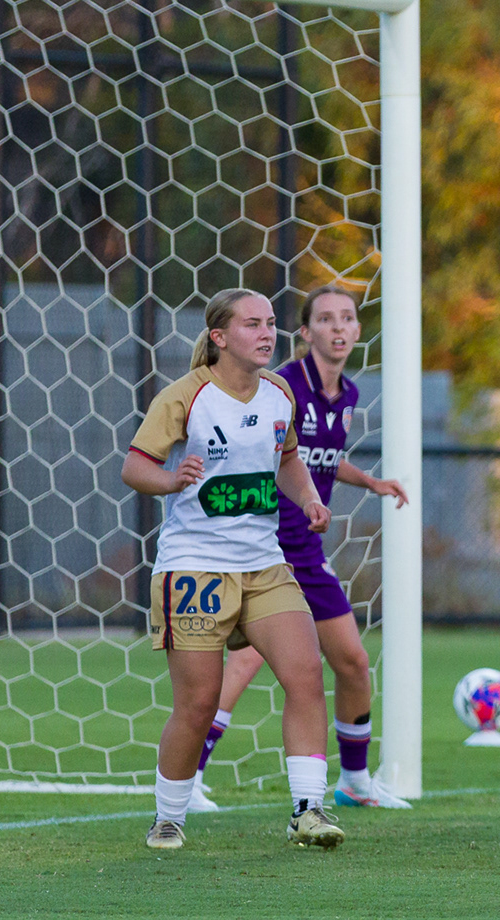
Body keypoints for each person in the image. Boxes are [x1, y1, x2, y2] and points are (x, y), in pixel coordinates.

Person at [120, 289, 341, 850]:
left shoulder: (279, 393)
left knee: (306, 674)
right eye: (252, 324)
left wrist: (309, 499)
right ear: (219, 337)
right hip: (194, 569)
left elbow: (288, 459)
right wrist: (171, 480)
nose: (267, 334)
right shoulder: (185, 396)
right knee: (198, 704)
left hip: (265, 565)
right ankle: (168, 817)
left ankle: (308, 810)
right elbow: (135, 467)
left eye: (270, 323)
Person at [190, 286, 411, 814]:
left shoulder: (347, 395)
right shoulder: (281, 386)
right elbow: (274, 455)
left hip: (307, 554)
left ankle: (355, 781)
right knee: (244, 663)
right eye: (326, 319)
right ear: (307, 332)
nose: (339, 328)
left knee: (353, 661)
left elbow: (317, 458)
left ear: (358, 330)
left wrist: (370, 481)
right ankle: (189, 778)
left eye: (348, 318)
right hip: (264, 548)